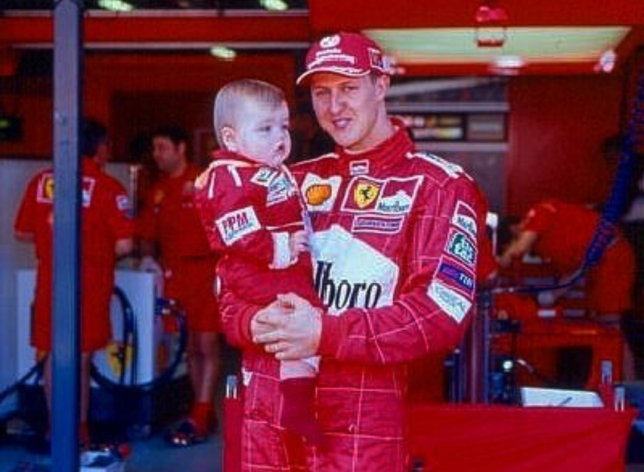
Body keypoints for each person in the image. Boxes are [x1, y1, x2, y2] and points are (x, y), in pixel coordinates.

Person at [220, 32, 490, 471]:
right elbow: (228, 289)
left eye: (348, 88)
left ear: (381, 85)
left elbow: (442, 310)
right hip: (267, 412)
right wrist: (252, 321)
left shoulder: (439, 185)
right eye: (321, 92)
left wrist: (324, 333)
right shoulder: (285, 181)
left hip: (363, 416)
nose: (334, 106)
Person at [194, 78, 325, 445]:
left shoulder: (267, 169)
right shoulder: (227, 176)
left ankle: (296, 405)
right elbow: (238, 233)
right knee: (303, 325)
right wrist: (284, 248)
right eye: (265, 129)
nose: (279, 137)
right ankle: (295, 407)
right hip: (257, 272)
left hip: (281, 269)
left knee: (308, 329)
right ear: (231, 139)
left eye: (283, 126)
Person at [14, 119, 135, 448]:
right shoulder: (108, 186)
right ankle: (78, 430)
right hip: (91, 284)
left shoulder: (42, 181)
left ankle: (55, 430)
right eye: (106, 144)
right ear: (98, 148)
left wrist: (51, 237)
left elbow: (21, 232)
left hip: (49, 281)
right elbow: (125, 244)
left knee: (53, 355)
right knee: (79, 358)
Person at [137, 125, 220, 446]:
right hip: (174, 275)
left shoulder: (203, 181)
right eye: (154, 149)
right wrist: (148, 259)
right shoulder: (157, 191)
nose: (157, 155)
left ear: (180, 148)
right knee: (188, 346)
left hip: (206, 271)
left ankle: (201, 411)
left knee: (206, 343)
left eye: (162, 148)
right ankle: (200, 410)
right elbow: (147, 234)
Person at [497, 198, 637, 381]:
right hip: (597, 265)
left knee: (611, 328)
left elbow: (517, 251)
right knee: (604, 328)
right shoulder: (552, 241)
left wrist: (494, 266)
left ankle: (630, 386)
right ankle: (614, 383)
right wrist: (553, 295)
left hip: (611, 257)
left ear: (515, 229)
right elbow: (575, 269)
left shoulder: (539, 213)